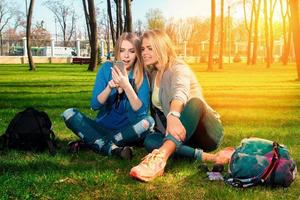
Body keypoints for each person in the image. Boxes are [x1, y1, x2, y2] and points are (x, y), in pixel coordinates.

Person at [130, 29, 234, 181]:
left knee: (195, 103)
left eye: (150, 48)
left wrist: (173, 115)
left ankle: (159, 159)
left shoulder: (178, 67)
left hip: (206, 131)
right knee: (150, 140)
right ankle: (208, 157)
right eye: (143, 49)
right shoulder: (153, 74)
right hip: (182, 134)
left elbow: (180, 91)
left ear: (162, 47)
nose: (144, 52)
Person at [62, 32, 154, 159]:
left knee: (149, 122)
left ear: (137, 53)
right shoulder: (106, 69)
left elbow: (142, 113)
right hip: (102, 127)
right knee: (69, 113)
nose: (126, 56)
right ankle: (111, 146)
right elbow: (94, 105)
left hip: (127, 131)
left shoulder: (141, 75)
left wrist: (127, 86)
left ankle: (99, 143)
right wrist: (109, 87)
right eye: (122, 50)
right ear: (117, 51)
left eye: (132, 51)